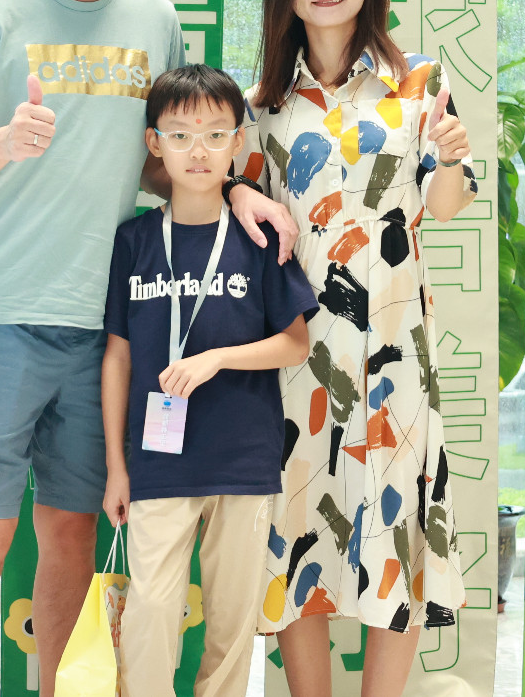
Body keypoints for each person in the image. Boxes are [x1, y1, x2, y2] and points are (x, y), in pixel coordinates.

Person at [0, 0, 300, 697]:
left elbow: (174, 156)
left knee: (72, 535)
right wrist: (4, 142)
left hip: (110, 328)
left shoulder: (155, 20)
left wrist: (237, 189)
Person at [233, 0, 479, 697]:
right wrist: (240, 191)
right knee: (298, 527)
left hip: (394, 354)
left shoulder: (420, 82)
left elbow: (445, 206)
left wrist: (450, 155)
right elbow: (232, 195)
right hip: (296, 353)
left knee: (394, 533)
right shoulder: (261, 104)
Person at [100, 65, 317, 697]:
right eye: (180, 135)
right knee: (149, 612)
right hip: (157, 461)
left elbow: (295, 343)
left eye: (216, 134)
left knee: (231, 624)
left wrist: (217, 359)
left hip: (243, 459)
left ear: (237, 143)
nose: (199, 151)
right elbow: (116, 359)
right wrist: (116, 467)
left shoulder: (259, 238)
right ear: (154, 143)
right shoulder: (134, 241)